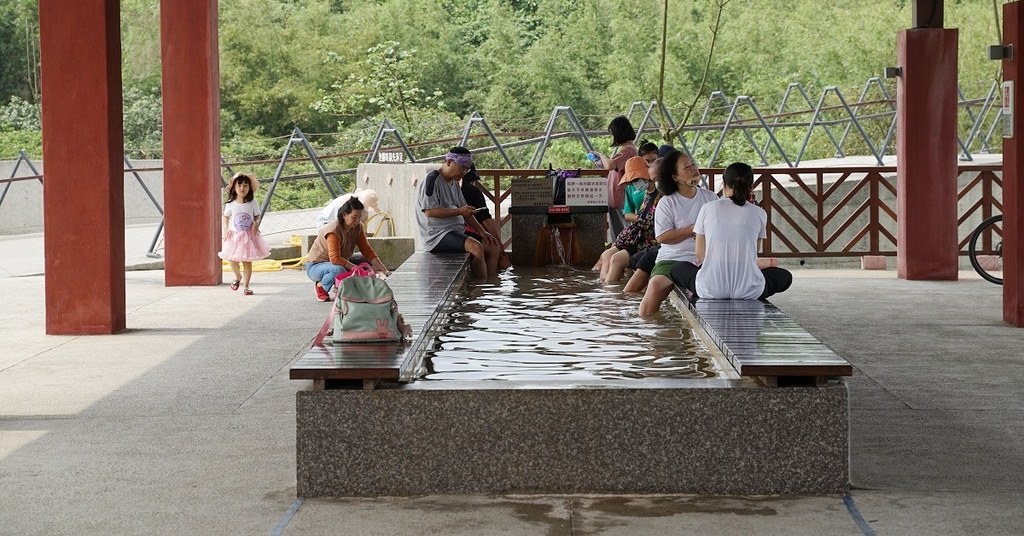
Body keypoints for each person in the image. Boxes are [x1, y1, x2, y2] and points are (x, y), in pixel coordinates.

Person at [671, 162, 793, 301]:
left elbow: (700, 253)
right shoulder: (759, 213)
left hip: (710, 288)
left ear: (724, 184)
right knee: (784, 276)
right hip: (748, 290)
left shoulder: (708, 208)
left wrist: (716, 267)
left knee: (678, 268)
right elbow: (752, 252)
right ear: (751, 187)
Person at [638, 150, 717, 318]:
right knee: (654, 288)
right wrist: (691, 230)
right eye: (686, 167)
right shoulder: (667, 202)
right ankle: (647, 333)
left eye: (693, 164)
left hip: (704, 259)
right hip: (672, 258)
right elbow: (662, 237)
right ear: (675, 177)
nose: (693, 169)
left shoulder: (711, 198)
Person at [416, 146, 501, 280]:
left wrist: (482, 231)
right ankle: (480, 288)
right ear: (449, 162)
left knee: (493, 246)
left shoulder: (454, 183)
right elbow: (430, 212)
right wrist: (460, 211)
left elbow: (465, 212)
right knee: (476, 248)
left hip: (455, 231)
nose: (464, 173)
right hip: (437, 235)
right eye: (461, 168)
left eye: (466, 169)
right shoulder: (432, 179)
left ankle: (491, 284)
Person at [305, 197, 391, 302]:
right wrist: (354, 268)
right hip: (316, 266)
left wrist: (385, 270)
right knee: (338, 270)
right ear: (344, 215)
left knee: (364, 259)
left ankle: (355, 286)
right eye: (354, 217)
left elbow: (367, 250)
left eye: (359, 217)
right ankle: (321, 286)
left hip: (339, 261)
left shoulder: (358, 227)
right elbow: (335, 259)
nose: (357, 221)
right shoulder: (333, 230)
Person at [595, 155, 661, 283]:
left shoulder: (661, 195)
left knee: (616, 259)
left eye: (635, 180)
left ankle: (612, 292)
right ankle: (607, 289)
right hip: (639, 239)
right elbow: (634, 216)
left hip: (649, 241)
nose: (634, 184)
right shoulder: (648, 194)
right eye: (631, 182)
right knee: (606, 255)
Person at [218, 172, 271, 296]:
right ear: (234, 188)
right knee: (232, 259)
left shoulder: (252, 203)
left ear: (249, 188)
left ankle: (246, 286)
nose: (242, 188)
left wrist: (256, 224)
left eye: (245, 185)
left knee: (247, 261)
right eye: (239, 185)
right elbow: (225, 217)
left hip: (248, 237)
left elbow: (257, 216)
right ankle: (237, 276)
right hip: (234, 236)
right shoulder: (230, 204)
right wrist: (225, 229)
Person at [590, 116, 638, 240]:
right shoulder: (626, 150)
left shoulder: (628, 150)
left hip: (621, 200)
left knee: (624, 234)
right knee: (618, 234)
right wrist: (599, 161)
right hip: (616, 200)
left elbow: (611, 165)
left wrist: (601, 155)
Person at [461, 164, 512, 270]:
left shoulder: (454, 189)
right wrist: (499, 244)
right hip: (465, 232)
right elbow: (486, 220)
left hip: (454, 231)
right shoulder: (474, 191)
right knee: (494, 249)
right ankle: (491, 279)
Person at [316, 189, 380, 228]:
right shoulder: (346, 202)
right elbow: (340, 223)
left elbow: (362, 226)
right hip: (326, 221)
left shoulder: (364, 211)